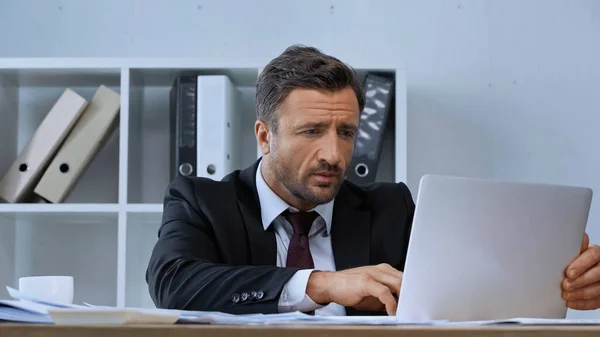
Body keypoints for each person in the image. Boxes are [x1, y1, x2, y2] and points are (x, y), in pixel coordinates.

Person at [146, 44, 600, 316]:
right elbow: (174, 284)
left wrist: (561, 277)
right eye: (311, 132)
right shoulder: (201, 199)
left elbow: (471, 285)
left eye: (346, 132)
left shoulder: (392, 208)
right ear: (265, 136)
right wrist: (320, 283)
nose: (334, 154)